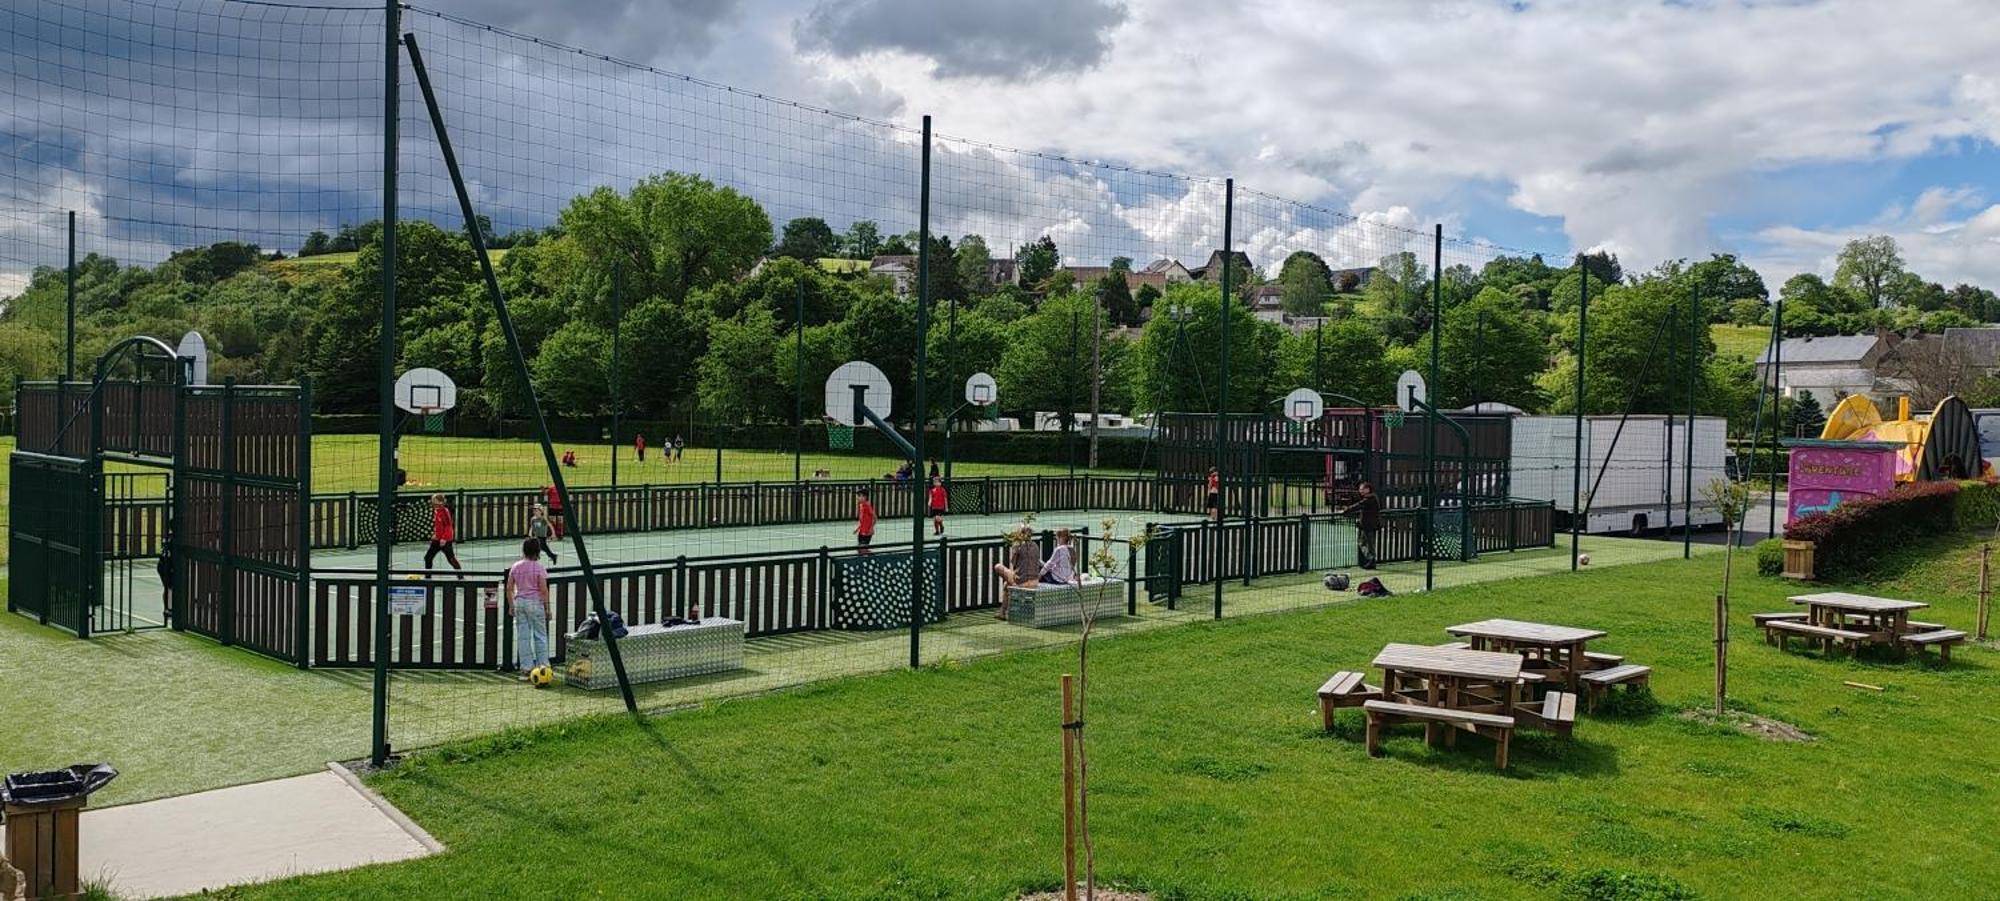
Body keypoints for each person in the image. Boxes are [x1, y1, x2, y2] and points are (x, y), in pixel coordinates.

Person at [506, 538, 551, 681]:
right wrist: (547, 609)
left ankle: (526, 669)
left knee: (523, 637)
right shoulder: (539, 567)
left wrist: (511, 605)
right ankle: (543, 666)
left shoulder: (516, 566)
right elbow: (543, 590)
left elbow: (509, 588)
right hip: (535, 602)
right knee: (540, 635)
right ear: (538, 551)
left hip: (520, 602)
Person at [989, 525, 1042, 620]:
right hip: (1035, 581)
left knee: (998, 567)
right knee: (1006, 585)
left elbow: (1013, 563)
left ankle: (1003, 612)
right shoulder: (1035, 545)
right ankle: (1002, 612)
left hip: (1022, 581)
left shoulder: (1017, 545)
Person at [1339, 481, 1383, 570]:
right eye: (1360, 489)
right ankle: (1371, 561)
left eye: (1362, 489)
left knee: (1363, 543)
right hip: (1370, 525)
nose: (1360, 491)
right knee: (1369, 544)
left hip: (1368, 525)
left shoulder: (1370, 498)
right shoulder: (1372, 497)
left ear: (1368, 489)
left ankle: (1371, 559)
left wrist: (1346, 510)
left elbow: (1358, 505)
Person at [425, 493, 463, 574]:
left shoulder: (444, 511)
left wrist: (444, 538)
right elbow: (439, 526)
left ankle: (461, 576)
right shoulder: (436, 511)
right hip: (437, 540)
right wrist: (436, 534)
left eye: (435, 501)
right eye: (432, 501)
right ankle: (428, 578)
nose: (433, 503)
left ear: (441, 502)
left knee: (451, 559)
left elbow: (448, 526)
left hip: (445, 541)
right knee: (428, 558)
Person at [853, 488, 876, 554]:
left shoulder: (867, 505)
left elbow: (874, 517)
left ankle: (874, 557)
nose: (858, 498)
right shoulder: (861, 506)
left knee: (863, 549)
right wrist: (857, 529)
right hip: (861, 531)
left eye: (859, 496)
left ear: (865, 497)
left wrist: (871, 528)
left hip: (867, 532)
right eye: (858, 496)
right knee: (859, 549)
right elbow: (862, 520)